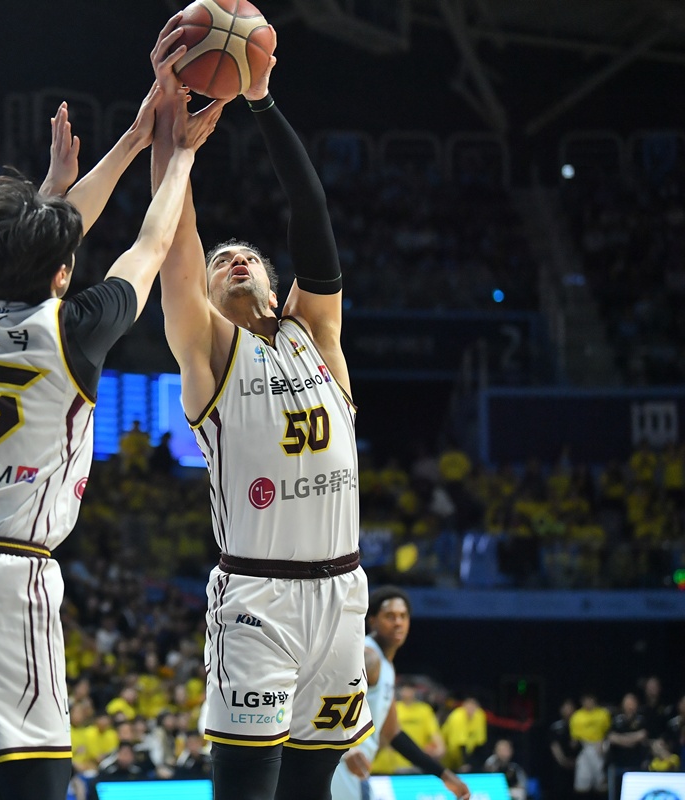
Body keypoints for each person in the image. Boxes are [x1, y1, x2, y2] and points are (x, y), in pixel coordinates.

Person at [0, 62, 222, 800]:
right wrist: (177, 155)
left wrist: (129, 141)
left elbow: (33, 241)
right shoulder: (72, 330)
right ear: (60, 274)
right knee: (42, 785)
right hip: (3, 579)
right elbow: (150, 246)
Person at [149, 16, 363, 800]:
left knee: (312, 789)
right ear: (207, 296)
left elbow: (313, 216)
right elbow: (175, 249)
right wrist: (171, 140)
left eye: (247, 257)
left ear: (275, 286)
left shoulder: (318, 336)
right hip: (257, 599)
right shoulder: (209, 353)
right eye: (221, 262)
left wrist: (263, 99)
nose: (233, 259)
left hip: (341, 595)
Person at [331, 588, 468, 800]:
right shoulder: (368, 657)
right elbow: (322, 699)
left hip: (357, 769)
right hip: (339, 765)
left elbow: (392, 733)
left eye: (403, 616)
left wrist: (443, 774)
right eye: (390, 616)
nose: (398, 623)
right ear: (372, 621)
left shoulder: (386, 666)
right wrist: (346, 750)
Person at [607, 692, 649, 799]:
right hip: (618, 763)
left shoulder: (642, 719)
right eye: (627, 701)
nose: (629, 704)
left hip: (637, 763)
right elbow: (611, 737)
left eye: (632, 701)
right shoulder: (616, 719)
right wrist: (631, 739)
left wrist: (621, 739)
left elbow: (642, 735)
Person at [570, 693, 609, 798]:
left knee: (601, 783)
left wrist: (603, 743)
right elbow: (574, 738)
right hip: (584, 748)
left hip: (600, 747)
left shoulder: (603, 714)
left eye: (590, 699)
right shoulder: (577, 716)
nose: (588, 702)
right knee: (582, 784)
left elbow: (608, 732)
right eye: (586, 700)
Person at [549, 699, 581, 800]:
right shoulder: (556, 726)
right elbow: (554, 746)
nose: (568, 710)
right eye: (566, 708)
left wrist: (577, 762)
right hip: (560, 767)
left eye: (570, 707)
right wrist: (563, 761)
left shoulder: (581, 725)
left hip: (578, 766)